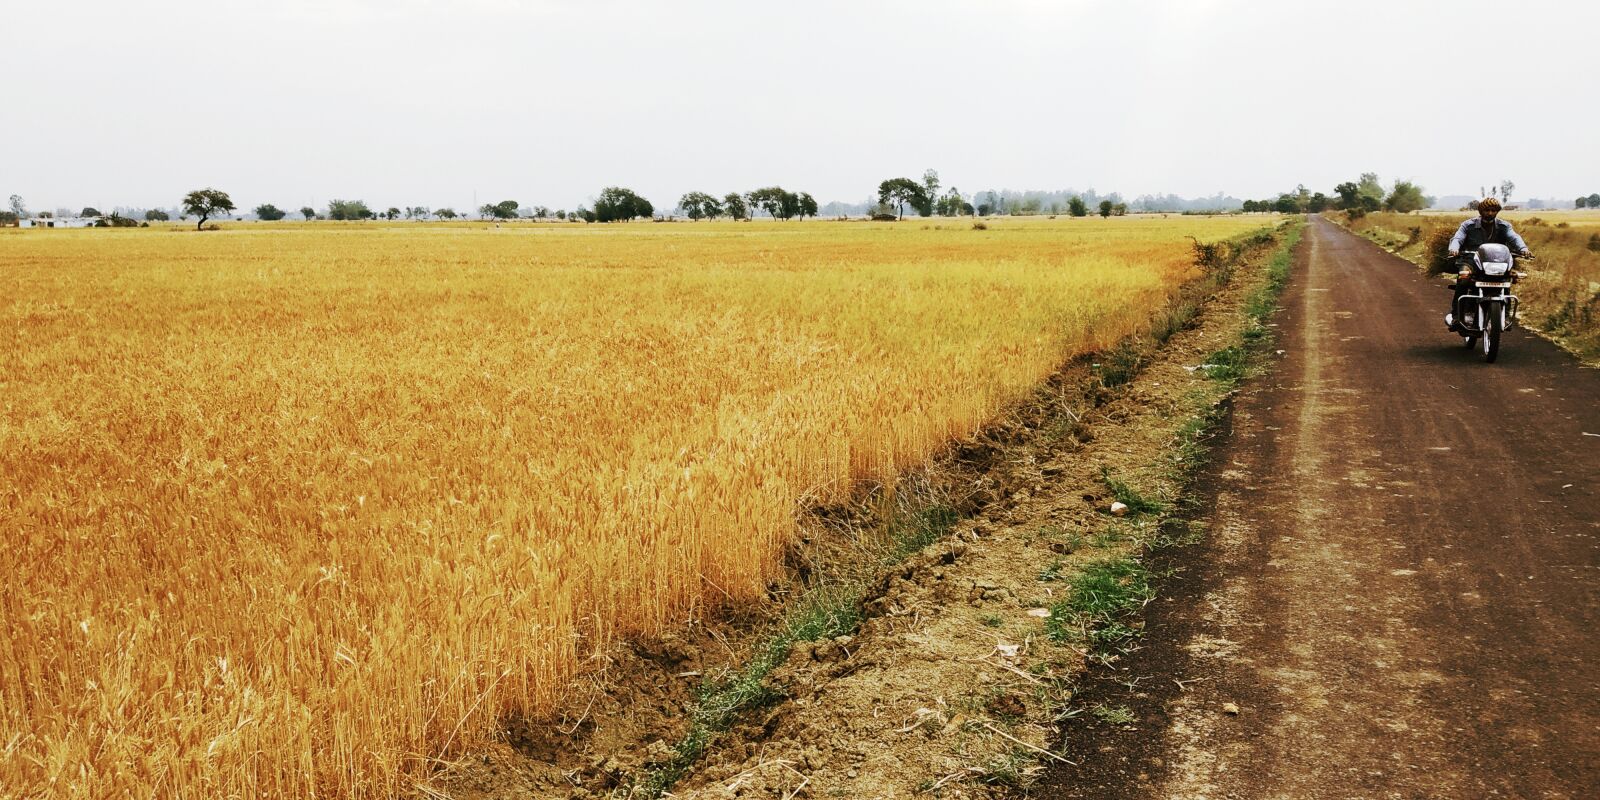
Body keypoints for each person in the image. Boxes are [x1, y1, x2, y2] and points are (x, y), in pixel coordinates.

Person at [1445, 198, 1531, 331]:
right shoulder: (1468, 225)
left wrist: (1523, 249)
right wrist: (1454, 248)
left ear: (1497, 211)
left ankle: (1505, 316)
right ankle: (1457, 315)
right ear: (1481, 211)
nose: (1490, 213)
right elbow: (1458, 238)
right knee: (1463, 279)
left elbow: (1514, 237)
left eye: (1494, 210)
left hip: (1496, 262)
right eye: (1487, 210)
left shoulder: (1504, 226)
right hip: (1470, 261)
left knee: (1505, 280)